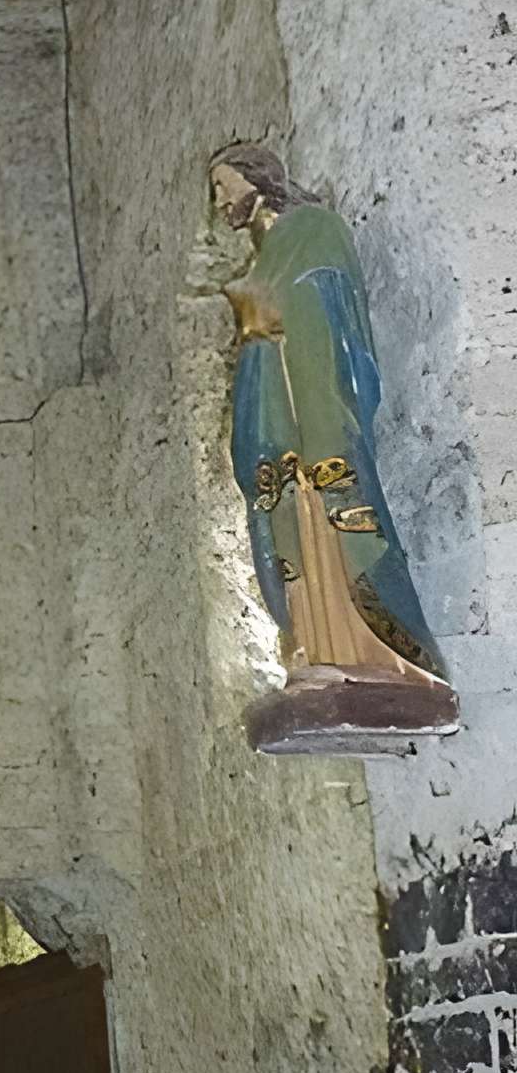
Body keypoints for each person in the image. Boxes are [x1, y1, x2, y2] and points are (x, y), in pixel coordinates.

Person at [211, 142, 457, 751]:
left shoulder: (313, 229)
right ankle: (321, 651)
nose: (218, 201)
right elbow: (260, 341)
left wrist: (310, 398)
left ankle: (390, 661)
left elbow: (333, 317)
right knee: (292, 529)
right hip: (279, 422)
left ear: (256, 181)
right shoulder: (267, 256)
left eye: (223, 185)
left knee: (340, 520)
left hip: (315, 409)